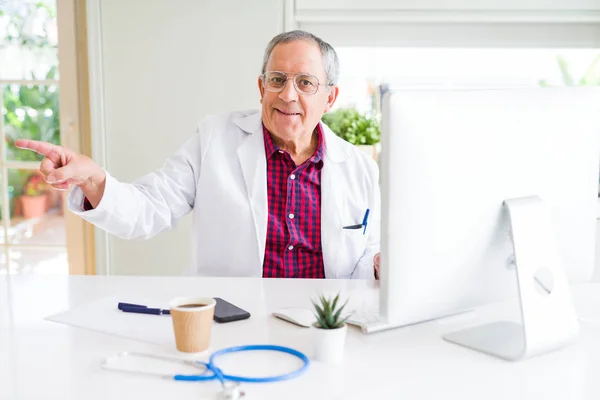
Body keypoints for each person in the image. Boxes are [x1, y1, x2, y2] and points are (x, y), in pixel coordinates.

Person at [15, 30, 382, 279]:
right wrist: (94, 179)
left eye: (305, 83)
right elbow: (149, 209)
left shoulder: (360, 169)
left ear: (330, 98)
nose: (288, 95)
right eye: (277, 79)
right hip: (233, 319)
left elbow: (369, 253)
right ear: (261, 87)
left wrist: (381, 266)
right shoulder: (214, 138)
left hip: (325, 324)